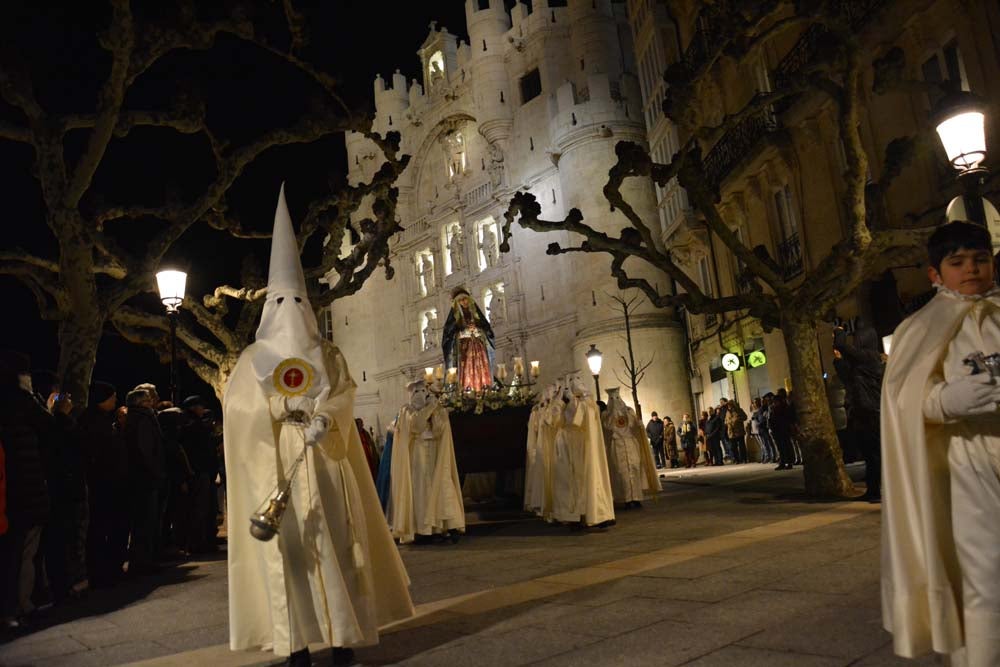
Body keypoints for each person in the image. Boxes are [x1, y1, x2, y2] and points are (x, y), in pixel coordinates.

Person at [223, 185, 412, 667]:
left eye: (296, 300)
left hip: (325, 460)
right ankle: (297, 643)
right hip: (279, 463)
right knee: (290, 556)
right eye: (279, 301)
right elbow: (240, 412)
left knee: (337, 546)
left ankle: (343, 635)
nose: (290, 311)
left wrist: (326, 417)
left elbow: (344, 392)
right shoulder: (251, 360)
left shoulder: (328, 353)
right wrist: (277, 413)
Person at [882, 221, 1000, 666]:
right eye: (957, 262)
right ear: (935, 273)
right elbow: (905, 399)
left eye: (980, 259)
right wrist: (949, 400)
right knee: (983, 571)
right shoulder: (921, 327)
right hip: (967, 465)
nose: (970, 269)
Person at [387, 380, 465, 544]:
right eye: (417, 391)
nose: (420, 394)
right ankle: (424, 529)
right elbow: (416, 426)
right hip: (417, 453)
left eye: (424, 391)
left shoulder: (435, 408)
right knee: (422, 489)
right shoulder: (406, 411)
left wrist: (437, 411)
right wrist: (428, 409)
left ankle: (442, 526)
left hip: (435, 450)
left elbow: (439, 429)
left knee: (440, 486)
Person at [80, 381, 129, 587]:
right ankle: (104, 571)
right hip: (105, 484)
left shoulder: (98, 420)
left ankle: (105, 569)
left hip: (106, 483)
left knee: (103, 527)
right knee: (103, 527)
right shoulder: (96, 424)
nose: (115, 400)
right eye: (112, 397)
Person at [550, 376, 615, 528]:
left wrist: (570, 400)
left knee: (584, 478)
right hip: (566, 444)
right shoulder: (566, 402)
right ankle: (572, 515)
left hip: (581, 444)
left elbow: (577, 419)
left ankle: (591, 513)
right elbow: (554, 420)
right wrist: (559, 402)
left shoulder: (587, 404)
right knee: (567, 480)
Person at [833, 325, 884, 501]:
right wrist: (838, 362)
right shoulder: (862, 363)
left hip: (871, 412)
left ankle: (877, 490)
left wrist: (839, 331)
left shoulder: (869, 357)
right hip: (863, 412)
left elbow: (841, 345)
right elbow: (848, 379)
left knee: (875, 454)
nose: (855, 342)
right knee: (870, 455)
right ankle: (873, 490)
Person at [123, 388, 165, 574]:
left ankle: (142, 560)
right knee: (146, 521)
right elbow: (146, 449)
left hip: (139, 477)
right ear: (141, 403)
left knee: (144, 521)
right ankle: (142, 562)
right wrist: (155, 471)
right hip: (145, 478)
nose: (151, 402)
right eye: (148, 399)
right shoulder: (144, 419)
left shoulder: (134, 418)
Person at [602, 388, 659, 508]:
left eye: (617, 398)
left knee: (634, 469)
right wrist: (613, 412)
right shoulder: (606, 414)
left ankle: (637, 497)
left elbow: (634, 425)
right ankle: (627, 499)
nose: (616, 401)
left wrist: (631, 416)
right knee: (622, 472)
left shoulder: (629, 411)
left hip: (630, 444)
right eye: (613, 399)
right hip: (617, 446)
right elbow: (607, 426)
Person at [178, 396, 219, 554]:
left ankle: (200, 541)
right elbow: (201, 449)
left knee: (202, 508)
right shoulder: (193, 425)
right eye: (201, 407)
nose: (203, 410)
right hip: (199, 471)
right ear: (194, 408)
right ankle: (197, 543)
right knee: (199, 509)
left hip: (202, 471)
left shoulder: (193, 424)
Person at [441, 286, 495, 392]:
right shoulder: (455, 318)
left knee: (481, 369)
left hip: (479, 348)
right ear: (457, 303)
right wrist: (462, 333)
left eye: (465, 299)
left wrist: (477, 330)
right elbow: (448, 337)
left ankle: (485, 389)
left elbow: (487, 331)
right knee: (467, 370)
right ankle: (467, 391)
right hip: (464, 351)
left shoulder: (476, 315)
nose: (464, 302)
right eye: (460, 300)